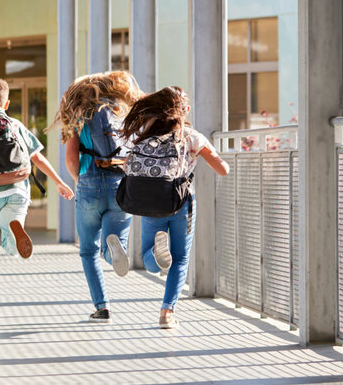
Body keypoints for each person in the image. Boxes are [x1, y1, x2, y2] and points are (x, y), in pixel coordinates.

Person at [120, 86, 229, 329]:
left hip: (150, 202)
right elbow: (222, 169)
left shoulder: (145, 136)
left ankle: (156, 257)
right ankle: (167, 313)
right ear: (185, 111)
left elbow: (127, 165)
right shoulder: (192, 137)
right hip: (182, 203)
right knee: (179, 260)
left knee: (149, 256)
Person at [0, 78, 74, 313]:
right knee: (10, 243)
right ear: (6, 103)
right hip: (17, 189)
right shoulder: (14, 124)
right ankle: (14, 232)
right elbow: (37, 158)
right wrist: (59, 182)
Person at [53, 71, 143, 323]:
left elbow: (71, 157)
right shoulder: (122, 112)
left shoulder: (80, 114)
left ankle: (102, 307)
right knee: (114, 242)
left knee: (87, 251)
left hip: (90, 183)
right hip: (120, 184)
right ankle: (114, 248)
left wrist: (80, 180)